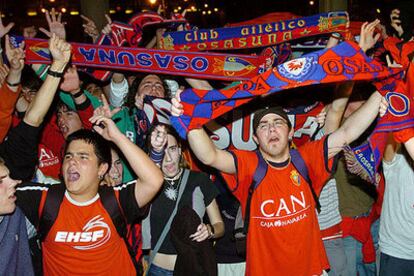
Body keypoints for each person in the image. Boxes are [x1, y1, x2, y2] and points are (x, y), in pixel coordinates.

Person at [170, 22, 388, 276]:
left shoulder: (308, 159)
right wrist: (192, 123)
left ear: (290, 131)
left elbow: (347, 132)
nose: (271, 129)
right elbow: (209, 155)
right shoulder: (250, 166)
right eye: (263, 126)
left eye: (277, 123)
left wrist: (385, 89)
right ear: (255, 138)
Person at [143, 123, 224, 275]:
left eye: (172, 149)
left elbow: (219, 225)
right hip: (156, 269)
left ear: (180, 150)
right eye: (162, 151)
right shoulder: (147, 185)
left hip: (192, 268)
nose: (168, 159)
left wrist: (209, 230)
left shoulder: (199, 180)